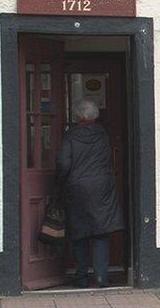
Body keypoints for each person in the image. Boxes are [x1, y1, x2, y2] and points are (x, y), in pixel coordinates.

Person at [56, 99, 124, 288]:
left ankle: (81, 277)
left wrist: (59, 183)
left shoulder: (70, 136)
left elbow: (63, 163)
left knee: (80, 233)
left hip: (77, 187)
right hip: (102, 186)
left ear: (77, 116)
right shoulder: (103, 134)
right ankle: (102, 276)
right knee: (101, 232)